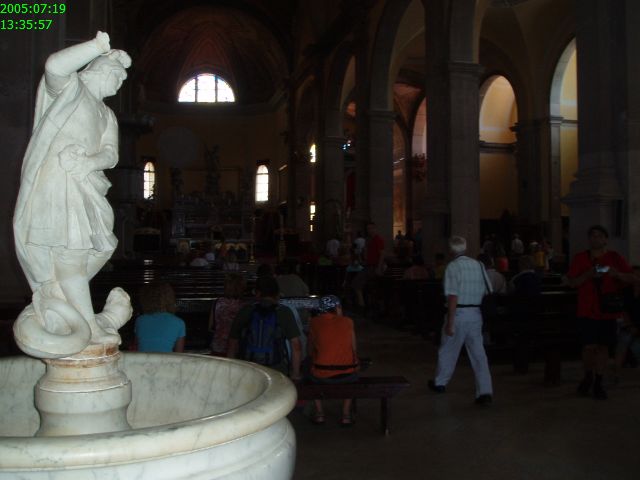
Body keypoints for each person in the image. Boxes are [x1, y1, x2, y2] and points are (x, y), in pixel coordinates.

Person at [13, 32, 133, 351]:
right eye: (118, 77)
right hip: (58, 181)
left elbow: (111, 154)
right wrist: (96, 47)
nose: (120, 84)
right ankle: (89, 326)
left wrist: (89, 162)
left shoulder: (107, 114)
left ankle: (57, 298)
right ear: (102, 71)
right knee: (72, 254)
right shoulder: (71, 89)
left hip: (85, 183)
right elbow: (54, 66)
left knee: (101, 247)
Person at [566, 225, 634, 399]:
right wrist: (588, 274)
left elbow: (632, 278)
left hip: (607, 310)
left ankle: (599, 380)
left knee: (603, 347)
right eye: (592, 236)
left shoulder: (614, 257)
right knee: (588, 347)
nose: (595, 239)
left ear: (605, 239)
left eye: (599, 236)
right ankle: (588, 375)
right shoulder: (580, 258)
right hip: (587, 309)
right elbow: (572, 283)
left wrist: (617, 274)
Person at [428, 236, 494, 405]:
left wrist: (450, 322)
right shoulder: (479, 265)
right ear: (465, 248)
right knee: (478, 354)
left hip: (458, 313)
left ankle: (440, 382)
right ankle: (485, 391)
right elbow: (489, 289)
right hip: (475, 313)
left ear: (451, 250)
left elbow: (453, 296)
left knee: (448, 349)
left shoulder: (453, 266)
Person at [227, 276, 302, 380]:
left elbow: (232, 343)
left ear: (257, 293)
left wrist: (230, 372)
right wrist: (295, 373)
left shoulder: (245, 311)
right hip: (277, 369)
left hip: (249, 369)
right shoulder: (284, 312)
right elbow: (296, 345)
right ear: (277, 293)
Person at [307, 295, 359, 426]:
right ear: (337, 308)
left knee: (307, 370)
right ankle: (346, 414)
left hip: (321, 375)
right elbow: (354, 348)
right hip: (347, 375)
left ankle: (320, 414)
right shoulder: (348, 321)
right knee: (353, 372)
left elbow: (310, 351)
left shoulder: (313, 322)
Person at [135, 283, 186, 353]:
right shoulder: (179, 323)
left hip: (143, 360)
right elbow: (179, 354)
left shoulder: (139, 320)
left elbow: (138, 347)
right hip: (167, 360)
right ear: (170, 299)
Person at [209, 273, 246, 356]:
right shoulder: (244, 306)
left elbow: (211, 326)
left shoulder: (217, 302)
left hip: (218, 346)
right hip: (236, 348)